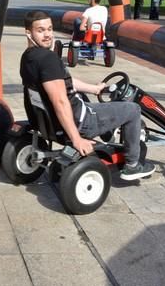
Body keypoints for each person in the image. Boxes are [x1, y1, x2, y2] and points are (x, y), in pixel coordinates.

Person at [20, 10, 155, 181]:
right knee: (133, 110)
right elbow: (60, 101)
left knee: (88, 100)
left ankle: (109, 131)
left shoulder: (28, 57)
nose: (47, 35)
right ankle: (133, 165)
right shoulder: (48, 59)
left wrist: (94, 89)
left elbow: (63, 82)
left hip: (48, 125)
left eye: (49, 29)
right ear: (28, 32)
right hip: (80, 121)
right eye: (40, 30)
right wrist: (77, 139)